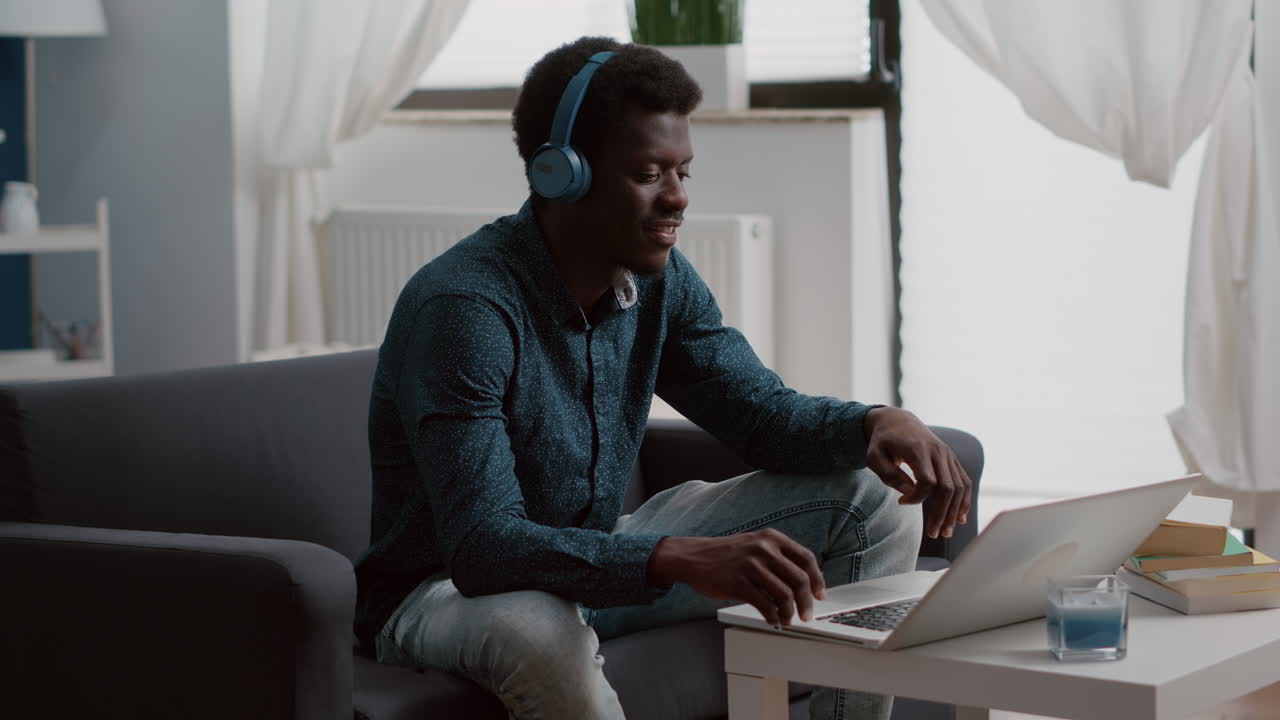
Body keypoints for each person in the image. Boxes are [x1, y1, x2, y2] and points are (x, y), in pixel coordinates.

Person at [354, 35, 972, 720]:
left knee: (873, 495)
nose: (677, 198)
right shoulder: (465, 309)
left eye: (684, 172)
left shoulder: (659, 281)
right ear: (562, 175)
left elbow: (761, 416)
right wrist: (674, 557)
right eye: (650, 174)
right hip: (444, 593)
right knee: (541, 631)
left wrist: (874, 422)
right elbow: (484, 547)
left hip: (595, 552)